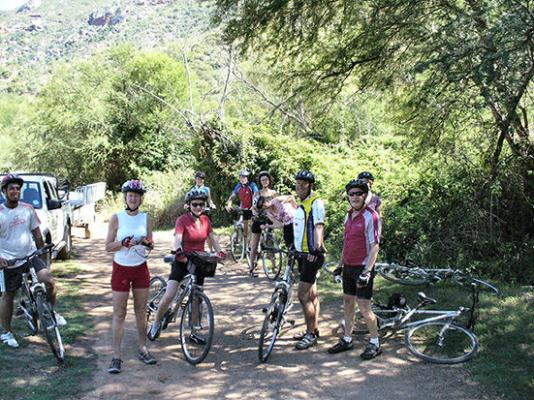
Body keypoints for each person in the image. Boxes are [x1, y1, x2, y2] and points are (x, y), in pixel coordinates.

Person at [148, 189, 224, 341]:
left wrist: (219, 252)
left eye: (201, 204)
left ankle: (194, 333)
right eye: (195, 204)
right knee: (170, 294)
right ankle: (156, 323)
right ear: (188, 205)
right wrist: (178, 251)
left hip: (199, 261)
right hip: (182, 260)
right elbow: (178, 237)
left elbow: (212, 238)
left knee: (197, 298)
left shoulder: (205, 221)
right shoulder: (182, 220)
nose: (198, 207)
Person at [0, 174, 66, 349]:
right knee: (8, 296)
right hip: (9, 261)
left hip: (30, 256)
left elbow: (37, 234)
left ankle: (51, 313)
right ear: (4, 192)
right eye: (11, 188)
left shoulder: (28, 209)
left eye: (17, 188)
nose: (15, 191)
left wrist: (42, 253)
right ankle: (6, 332)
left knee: (50, 282)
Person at [105, 179, 156, 374]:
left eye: (136, 196)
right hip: (121, 269)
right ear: (125, 197)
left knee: (141, 310)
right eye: (130, 195)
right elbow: (108, 247)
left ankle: (143, 349)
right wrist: (123, 243)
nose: (133, 199)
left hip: (140, 268)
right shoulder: (116, 218)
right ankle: (116, 356)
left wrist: (147, 244)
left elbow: (151, 243)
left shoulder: (146, 218)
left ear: (141, 199)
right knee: (119, 313)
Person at [328, 179, 382, 359]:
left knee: (365, 307)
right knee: (348, 304)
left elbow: (375, 246)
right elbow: (347, 242)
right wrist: (339, 265)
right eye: (351, 194)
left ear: (365, 195)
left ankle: (375, 342)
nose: (355, 197)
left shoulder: (371, 216)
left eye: (359, 193)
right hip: (349, 267)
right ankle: (347, 338)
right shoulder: (348, 215)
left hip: (362, 267)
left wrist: (367, 272)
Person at [292, 170, 326, 350]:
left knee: (302, 294)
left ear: (310, 185)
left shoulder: (316, 203)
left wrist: (316, 248)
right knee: (312, 294)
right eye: (297, 183)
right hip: (302, 254)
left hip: (312, 254)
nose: (299, 186)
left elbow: (319, 226)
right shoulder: (301, 204)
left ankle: (310, 334)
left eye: (303, 183)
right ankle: (313, 328)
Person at [248, 171, 277, 277]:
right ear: (260, 182)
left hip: (269, 219)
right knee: (254, 244)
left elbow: (276, 207)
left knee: (271, 243)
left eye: (266, 179)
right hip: (258, 219)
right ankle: (251, 267)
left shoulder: (274, 193)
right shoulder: (257, 193)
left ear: (269, 181)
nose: (264, 181)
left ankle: (274, 267)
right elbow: (254, 207)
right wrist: (255, 214)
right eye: (262, 180)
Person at [225, 169, 258, 254]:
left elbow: (256, 195)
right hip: (243, 208)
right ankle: (246, 246)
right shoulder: (238, 186)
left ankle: (252, 245)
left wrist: (254, 206)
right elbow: (233, 195)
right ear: (239, 178)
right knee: (245, 228)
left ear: (247, 178)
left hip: (252, 208)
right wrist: (229, 204)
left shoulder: (252, 185)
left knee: (251, 226)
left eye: (245, 177)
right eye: (241, 177)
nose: (243, 179)